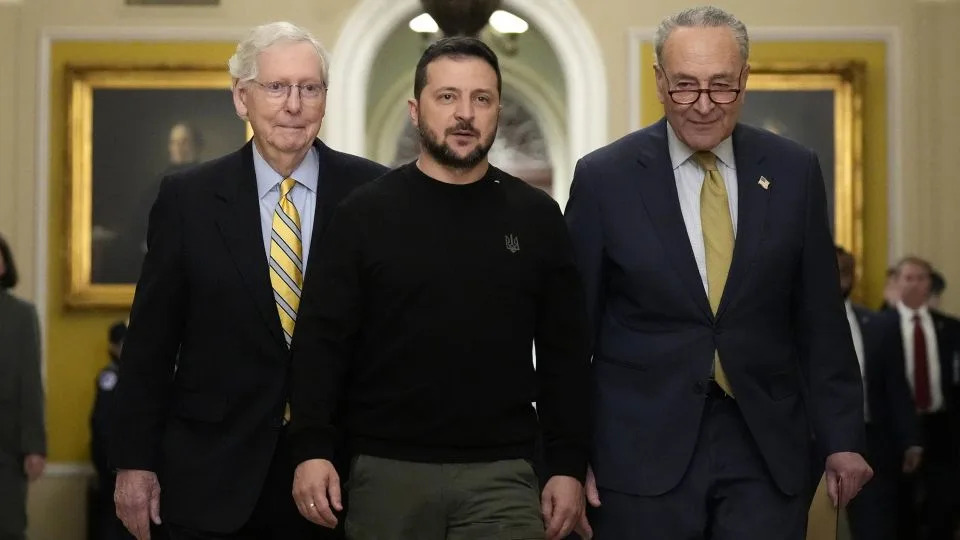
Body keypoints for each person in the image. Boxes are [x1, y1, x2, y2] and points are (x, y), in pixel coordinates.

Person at [564, 6, 872, 539]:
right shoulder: (604, 179)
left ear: (745, 81)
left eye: (721, 87)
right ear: (659, 83)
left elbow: (820, 318)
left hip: (765, 448)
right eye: (685, 86)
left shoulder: (794, 170)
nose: (703, 105)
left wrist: (842, 437)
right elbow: (572, 332)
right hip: (639, 452)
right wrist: (567, 456)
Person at [288, 36, 590, 540]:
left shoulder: (537, 217)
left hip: (505, 475)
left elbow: (566, 352)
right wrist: (311, 450)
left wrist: (568, 464)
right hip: (385, 474)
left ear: (498, 109)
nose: (465, 114)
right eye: (447, 97)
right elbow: (321, 345)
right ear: (415, 109)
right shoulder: (363, 216)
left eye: (482, 99)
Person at [110, 21, 388, 540]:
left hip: (340, 477)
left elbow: (393, 337)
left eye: (310, 88)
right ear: (242, 97)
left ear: (325, 99)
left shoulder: (372, 193)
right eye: (277, 87)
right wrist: (133, 463)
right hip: (211, 476)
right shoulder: (187, 199)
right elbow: (150, 343)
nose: (294, 104)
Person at [835, 247, 920, 540]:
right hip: (810, 444)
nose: (842, 277)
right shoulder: (787, 324)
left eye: (847, 270)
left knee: (875, 528)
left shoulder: (880, 325)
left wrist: (911, 441)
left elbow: (897, 388)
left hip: (872, 444)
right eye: (834, 269)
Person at [885, 257, 960, 540]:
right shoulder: (882, 326)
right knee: (900, 509)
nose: (917, 284)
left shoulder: (950, 328)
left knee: (943, 504)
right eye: (909, 277)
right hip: (897, 429)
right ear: (896, 282)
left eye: (923, 278)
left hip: (941, 426)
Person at [0, 234, 46, 540]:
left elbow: (31, 382)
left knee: (8, 527)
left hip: (7, 445)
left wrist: (34, 446)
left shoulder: (20, 315)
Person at [90, 320, 134, 540]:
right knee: (113, 518)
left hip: (129, 459)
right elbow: (103, 422)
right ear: (114, 347)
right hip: (112, 461)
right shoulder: (110, 376)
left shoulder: (134, 376)